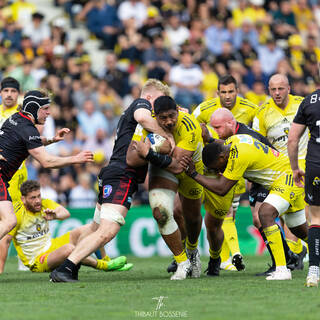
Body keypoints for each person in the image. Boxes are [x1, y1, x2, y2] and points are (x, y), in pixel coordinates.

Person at [50, 79, 175, 282]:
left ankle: (69, 267)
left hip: (113, 171)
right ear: (150, 97)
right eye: (159, 102)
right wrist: (167, 135)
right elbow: (143, 117)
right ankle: (65, 268)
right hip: (122, 174)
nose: (160, 111)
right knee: (108, 231)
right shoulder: (141, 104)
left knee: (95, 228)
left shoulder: (129, 113)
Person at [182, 133, 308, 281]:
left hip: (285, 178)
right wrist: (209, 139)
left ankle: (282, 269)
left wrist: (193, 174)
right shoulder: (232, 141)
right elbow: (220, 142)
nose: (218, 171)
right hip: (283, 176)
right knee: (300, 230)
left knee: (265, 214)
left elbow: (222, 189)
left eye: (217, 167)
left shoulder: (239, 156)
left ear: (222, 158)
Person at [209, 108, 300, 275]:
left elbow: (223, 185)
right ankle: (288, 256)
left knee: (261, 217)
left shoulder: (243, 138)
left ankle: (282, 262)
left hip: (271, 175)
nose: (215, 132)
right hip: (259, 178)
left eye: (218, 128)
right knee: (285, 224)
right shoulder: (233, 135)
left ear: (231, 123)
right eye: (213, 128)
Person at [0, 89, 94, 244]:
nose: (49, 113)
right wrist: (75, 159)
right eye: (45, 109)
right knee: (9, 221)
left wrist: (51, 139)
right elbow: (46, 162)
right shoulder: (27, 128)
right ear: (33, 108)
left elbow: (31, 140)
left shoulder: (16, 118)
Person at [128, 95, 203, 280]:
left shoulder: (190, 126)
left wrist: (148, 151)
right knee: (160, 212)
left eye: (172, 116)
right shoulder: (145, 126)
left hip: (191, 169)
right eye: (163, 118)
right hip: (164, 167)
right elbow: (131, 158)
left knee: (192, 218)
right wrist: (155, 151)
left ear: (178, 111)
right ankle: (182, 262)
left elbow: (178, 166)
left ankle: (193, 252)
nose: (169, 121)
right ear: (155, 116)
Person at [192, 74, 259, 270]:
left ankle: (225, 258)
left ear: (237, 91)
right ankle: (230, 255)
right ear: (217, 92)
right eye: (224, 92)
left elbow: (257, 135)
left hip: (236, 169)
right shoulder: (204, 109)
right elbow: (191, 128)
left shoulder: (250, 109)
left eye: (231, 91)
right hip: (210, 169)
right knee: (217, 215)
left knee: (227, 215)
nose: (227, 96)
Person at [0, 180, 129, 274]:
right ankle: (104, 266)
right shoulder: (16, 215)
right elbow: (5, 240)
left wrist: (55, 215)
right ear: (23, 199)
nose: (38, 200)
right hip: (38, 260)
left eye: (38, 196)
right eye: (33, 198)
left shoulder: (44, 203)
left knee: (90, 229)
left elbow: (66, 213)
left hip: (51, 245)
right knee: (69, 249)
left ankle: (106, 259)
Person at [253, 74, 308, 274]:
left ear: (289, 88)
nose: (277, 93)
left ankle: (286, 261)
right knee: (283, 218)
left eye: (281, 89)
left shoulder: (303, 105)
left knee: (284, 214)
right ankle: (294, 254)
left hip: (303, 167)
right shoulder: (263, 113)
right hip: (275, 170)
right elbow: (259, 143)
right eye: (273, 89)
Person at [288, 86, 320, 287]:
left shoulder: (309, 101)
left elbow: (292, 140)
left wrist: (295, 168)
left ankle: (314, 271)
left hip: (316, 165)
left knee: (316, 217)